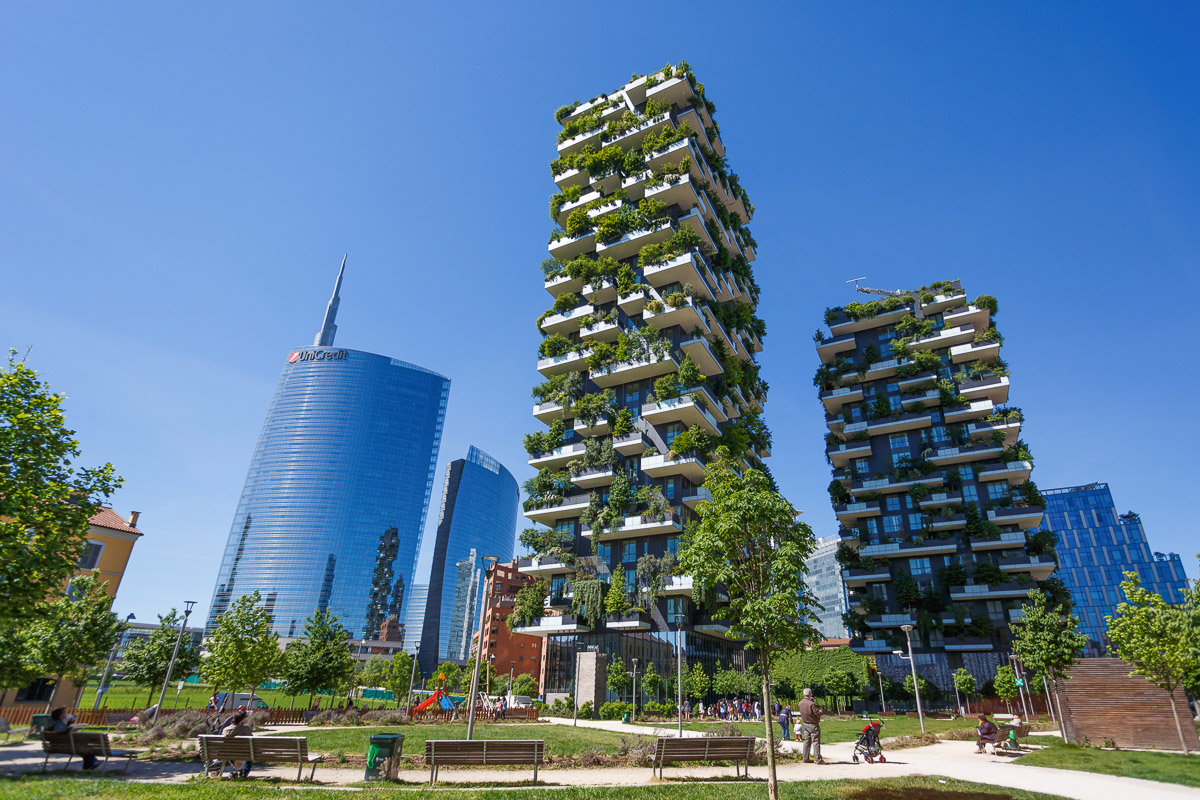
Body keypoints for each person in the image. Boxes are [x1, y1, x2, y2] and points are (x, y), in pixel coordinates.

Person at [221, 709, 253, 777]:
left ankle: (238, 770)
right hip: (242, 752)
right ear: (242, 720)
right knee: (249, 753)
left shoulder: (225, 730)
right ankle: (245, 772)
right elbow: (252, 739)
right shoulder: (244, 729)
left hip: (227, 753)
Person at [798, 688, 826, 764]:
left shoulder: (800, 703)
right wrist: (820, 712)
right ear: (810, 694)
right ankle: (818, 759)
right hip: (813, 724)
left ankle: (805, 758)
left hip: (805, 724)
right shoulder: (811, 704)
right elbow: (816, 714)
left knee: (806, 741)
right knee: (816, 742)